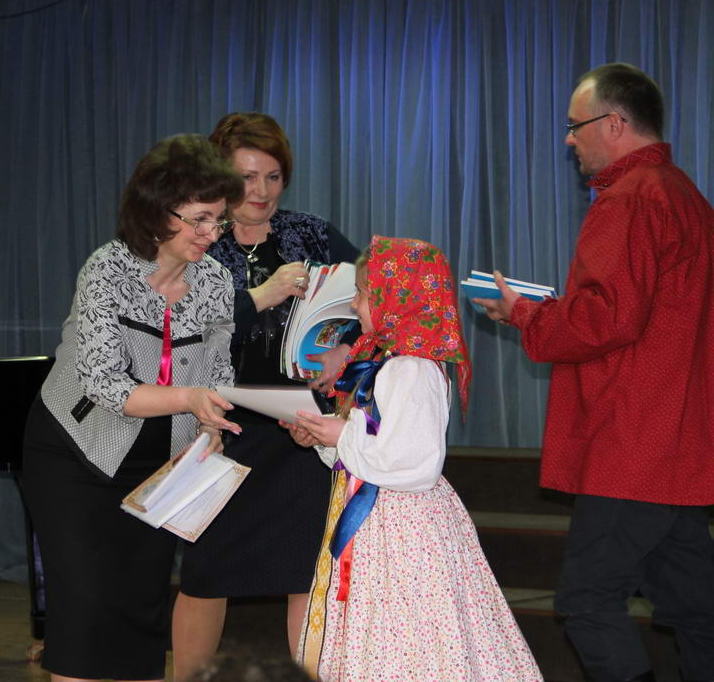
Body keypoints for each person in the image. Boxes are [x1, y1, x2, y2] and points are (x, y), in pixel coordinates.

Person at [475, 63, 714, 682]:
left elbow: (608, 319)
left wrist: (524, 312)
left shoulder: (630, 198)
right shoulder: (686, 195)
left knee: (587, 602)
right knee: (698, 611)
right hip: (678, 443)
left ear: (614, 124)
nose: (568, 139)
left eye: (575, 125)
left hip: (631, 442)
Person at [21, 134, 244, 682]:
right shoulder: (106, 270)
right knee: (85, 607)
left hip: (160, 467)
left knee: (141, 607)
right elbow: (104, 384)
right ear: (157, 211)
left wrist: (212, 421)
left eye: (218, 220)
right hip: (75, 452)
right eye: (199, 219)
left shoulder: (216, 281)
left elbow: (218, 368)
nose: (211, 234)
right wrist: (190, 398)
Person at [288, 236, 541, 681]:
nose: (354, 303)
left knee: (412, 632)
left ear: (399, 298)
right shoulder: (387, 361)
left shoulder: (413, 368)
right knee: (382, 629)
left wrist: (341, 434)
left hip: (405, 528)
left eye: (363, 293)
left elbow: (416, 464)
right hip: (378, 522)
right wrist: (326, 439)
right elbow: (374, 445)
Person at [173, 112, 359, 679]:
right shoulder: (197, 241)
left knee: (303, 572)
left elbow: (368, 308)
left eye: (273, 177)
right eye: (247, 177)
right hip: (220, 427)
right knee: (205, 575)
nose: (260, 191)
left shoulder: (315, 235)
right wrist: (263, 293)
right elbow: (178, 326)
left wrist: (344, 352)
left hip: (301, 432)